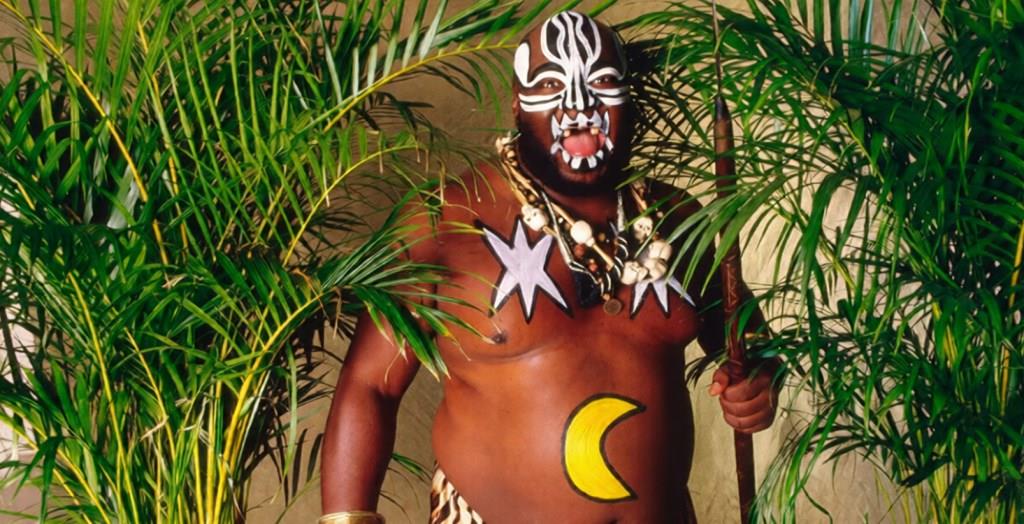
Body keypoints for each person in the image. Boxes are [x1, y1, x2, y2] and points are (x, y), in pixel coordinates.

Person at [320, 11, 778, 524]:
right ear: (517, 104)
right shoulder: (442, 220)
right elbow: (370, 386)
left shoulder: (672, 218)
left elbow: (747, 340)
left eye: (602, 82)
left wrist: (757, 384)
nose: (579, 106)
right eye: (550, 85)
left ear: (628, 99)